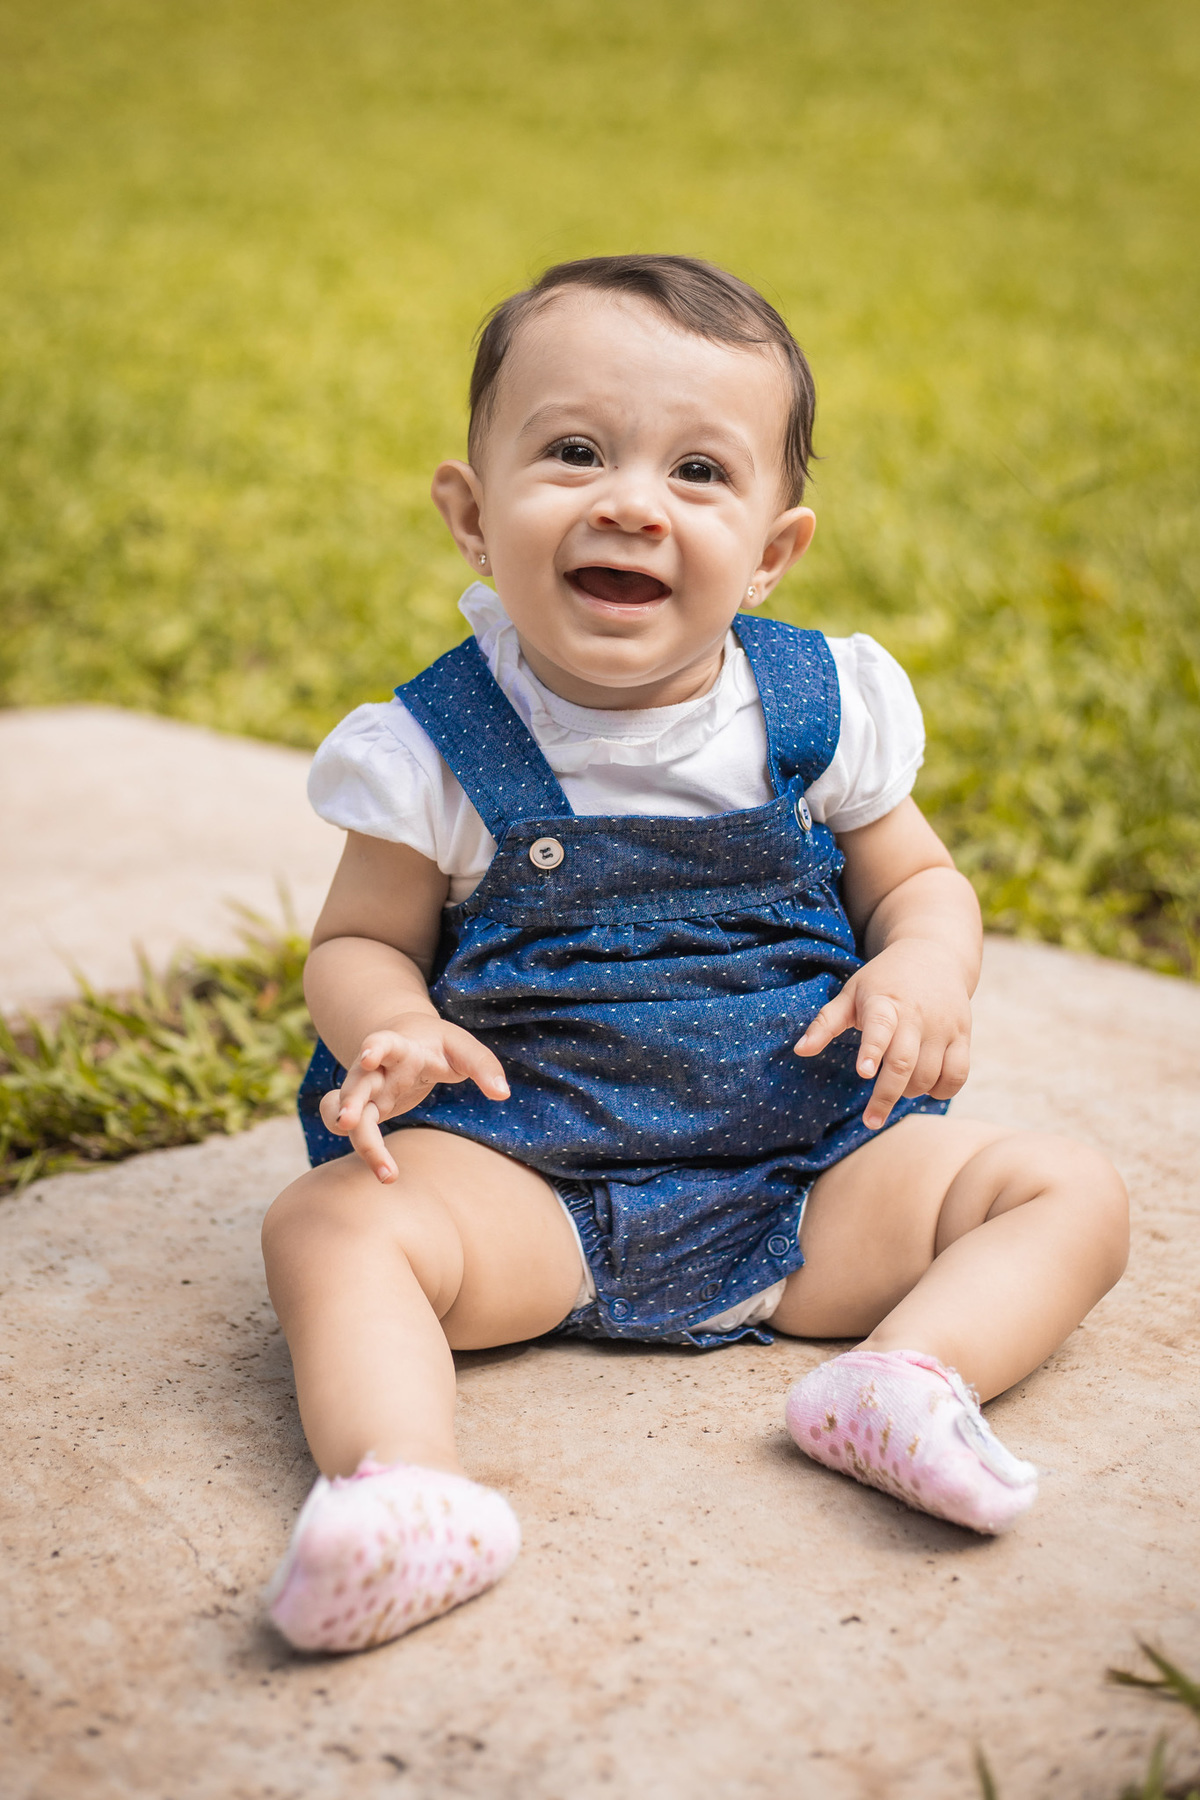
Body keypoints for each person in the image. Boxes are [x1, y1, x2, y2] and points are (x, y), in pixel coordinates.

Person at [260, 255, 1129, 1654]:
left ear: (774, 550)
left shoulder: (816, 707)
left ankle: (907, 1379)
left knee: (1064, 1189)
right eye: (576, 452)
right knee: (331, 1226)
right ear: (472, 515)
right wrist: (391, 1020)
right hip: (527, 1189)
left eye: (699, 473)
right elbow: (361, 936)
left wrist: (921, 967)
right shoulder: (430, 749)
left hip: (810, 1176)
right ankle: (407, 1492)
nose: (629, 500)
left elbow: (922, 881)